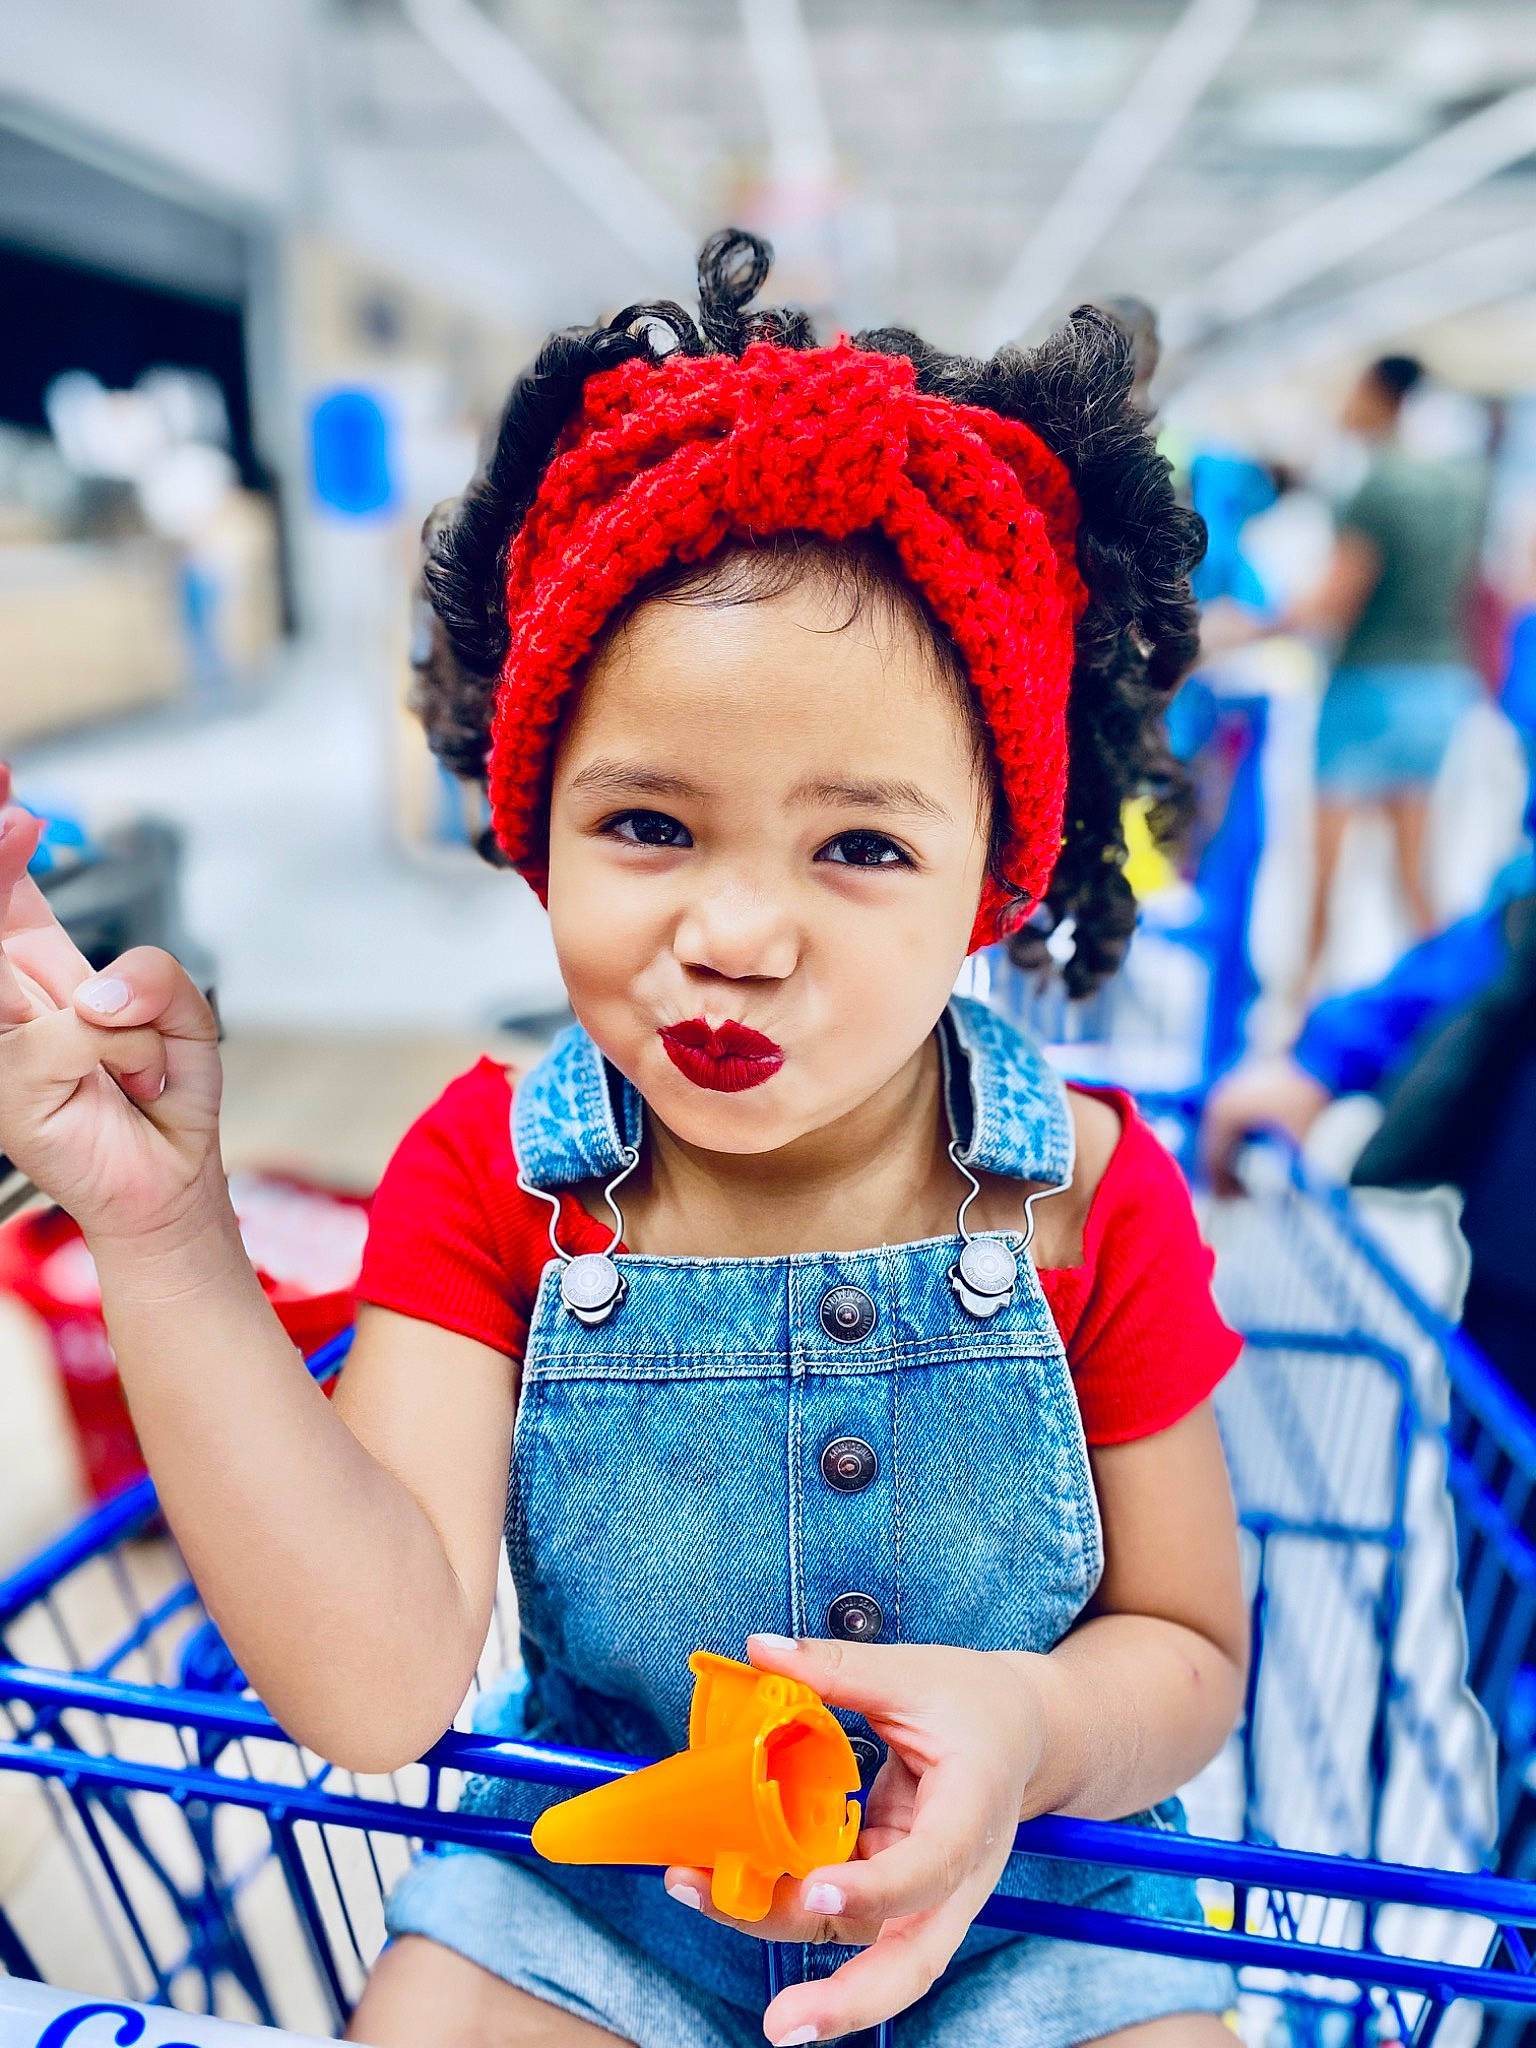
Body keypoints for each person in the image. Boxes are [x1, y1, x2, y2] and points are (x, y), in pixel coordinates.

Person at [0, 232, 1246, 2048]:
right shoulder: (491, 1175)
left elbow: (1190, 1647)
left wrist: (1037, 1726)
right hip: (601, 1883)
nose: (733, 932)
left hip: (1030, 1891)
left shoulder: (1089, 1197)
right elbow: (377, 1691)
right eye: (649, 824)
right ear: (535, 825)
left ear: (996, 876)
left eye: (862, 845)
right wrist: (161, 1228)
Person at [1290, 354, 1486, 986]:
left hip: (1368, 686)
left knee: (1324, 874)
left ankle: (1296, 1009)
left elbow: (1334, 602)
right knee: (1414, 871)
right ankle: (1438, 1008)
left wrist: (1253, 625)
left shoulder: (1377, 486)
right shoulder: (1459, 486)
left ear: (1382, 395)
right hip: (1440, 685)